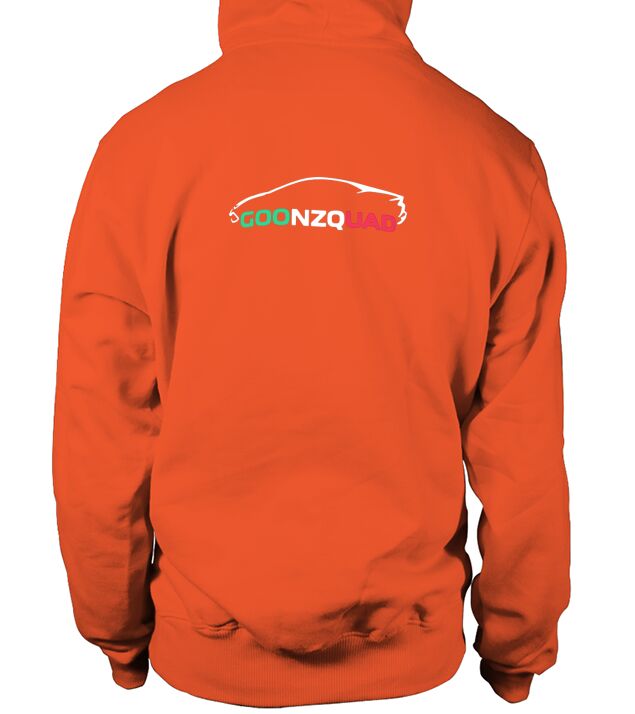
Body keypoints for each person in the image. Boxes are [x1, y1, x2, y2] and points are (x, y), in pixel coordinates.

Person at [52, 0, 570, 705]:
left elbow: (103, 425)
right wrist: (516, 646)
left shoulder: (141, 149)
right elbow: (521, 442)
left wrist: (116, 628)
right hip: (414, 654)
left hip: (202, 648)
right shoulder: (494, 155)